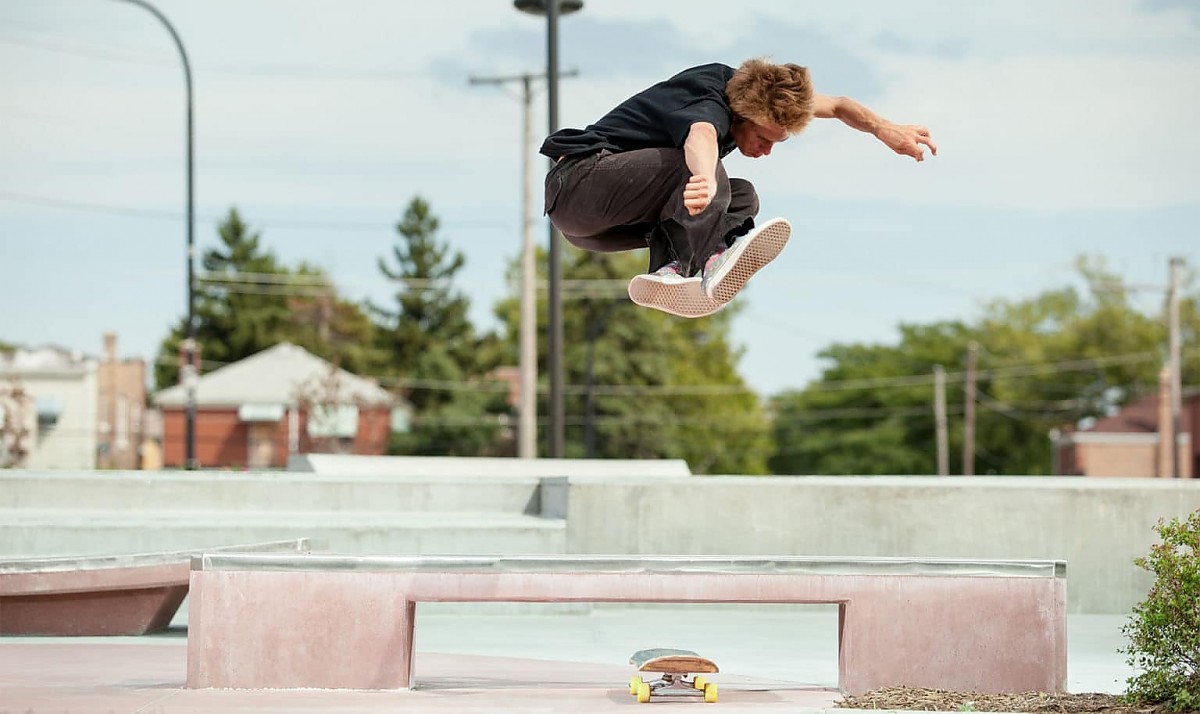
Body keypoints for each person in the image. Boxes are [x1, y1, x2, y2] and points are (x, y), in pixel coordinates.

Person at [540, 58, 937, 318]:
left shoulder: (759, 98)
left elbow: (838, 105)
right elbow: (700, 137)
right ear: (743, 115)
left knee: (743, 198)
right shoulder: (710, 99)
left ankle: (703, 259)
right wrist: (704, 177)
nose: (766, 150)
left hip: (595, 230)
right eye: (764, 138)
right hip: (579, 184)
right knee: (710, 176)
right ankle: (680, 265)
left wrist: (885, 129)